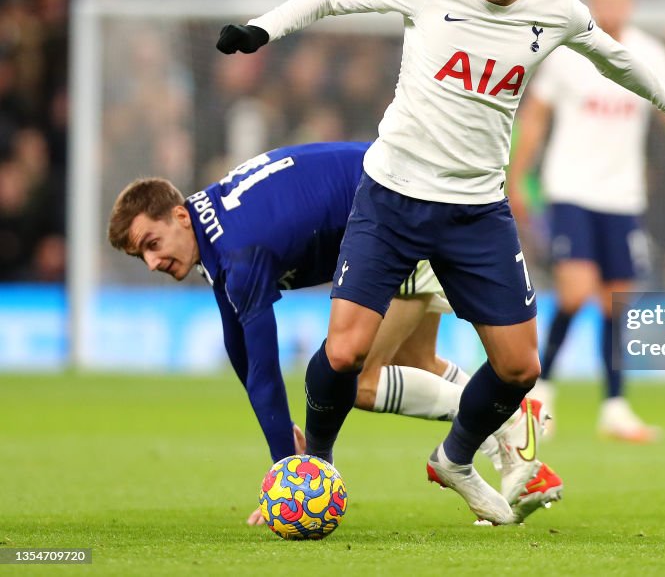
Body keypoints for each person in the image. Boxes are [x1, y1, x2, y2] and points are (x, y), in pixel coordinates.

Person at [216, 0, 665, 526]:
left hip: (475, 212)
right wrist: (262, 31)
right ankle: (314, 463)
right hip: (392, 199)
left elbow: (614, 58)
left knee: (520, 366)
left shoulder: (557, 10)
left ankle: (455, 456)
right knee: (346, 353)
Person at [107, 141, 562, 525]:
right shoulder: (213, 225)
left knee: (360, 381)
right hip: (410, 196)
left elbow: (264, 368)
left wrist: (291, 472)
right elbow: (237, 338)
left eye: (152, 244)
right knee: (415, 366)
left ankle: (511, 421)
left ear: (178, 217)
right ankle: (514, 427)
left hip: (401, 216)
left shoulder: (238, 252)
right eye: (140, 256)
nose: (152, 262)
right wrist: (286, 437)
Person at [508, 0, 665, 443]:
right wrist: (517, 179)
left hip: (622, 196)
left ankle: (615, 407)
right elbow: (534, 118)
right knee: (576, 292)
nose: (612, 7)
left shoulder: (651, 54)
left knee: (617, 300)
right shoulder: (567, 51)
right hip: (570, 190)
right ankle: (542, 394)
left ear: (631, 1)